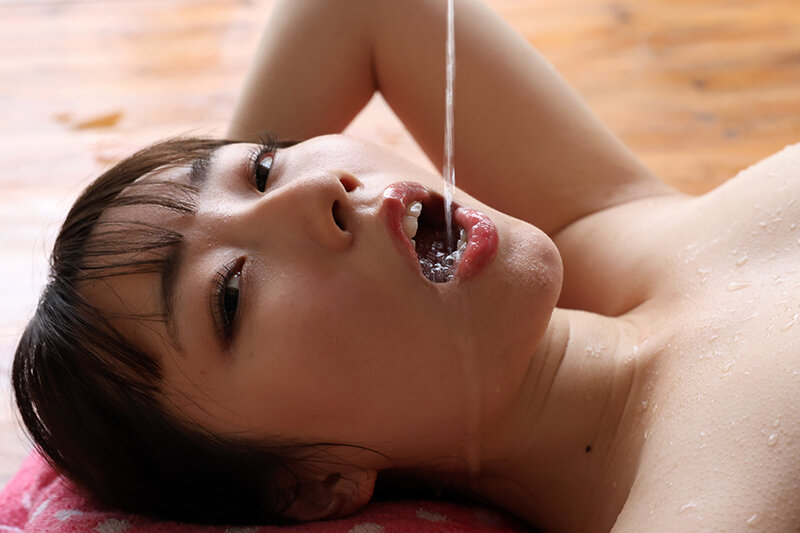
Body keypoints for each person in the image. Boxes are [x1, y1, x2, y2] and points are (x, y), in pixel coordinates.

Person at [12, 0, 800, 530]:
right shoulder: (707, 507)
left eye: (262, 167)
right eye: (231, 297)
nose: (319, 187)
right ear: (314, 483)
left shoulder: (604, 222)